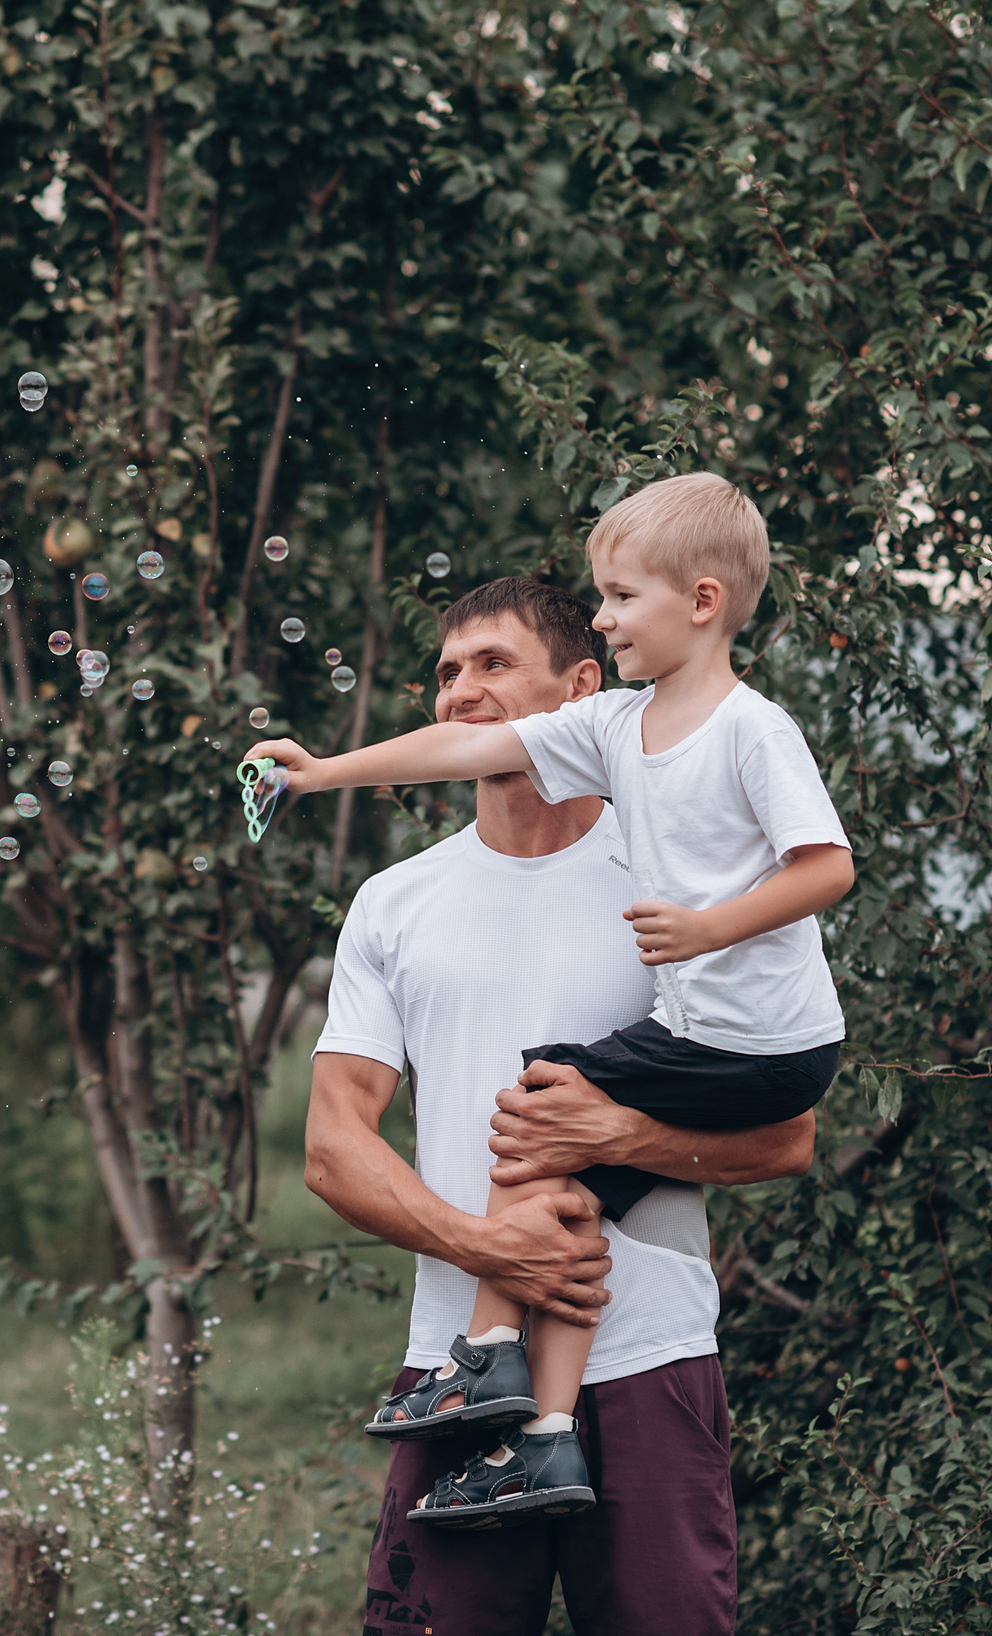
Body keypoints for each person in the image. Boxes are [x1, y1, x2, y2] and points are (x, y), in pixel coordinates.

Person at [275, 479, 851, 1524]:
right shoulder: (396, 900)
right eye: (446, 671)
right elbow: (329, 1148)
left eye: (493, 663)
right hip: (448, 1356)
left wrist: (619, 1130)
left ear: (580, 686)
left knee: (549, 1109)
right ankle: (511, 1391)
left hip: (654, 1355)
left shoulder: (691, 850)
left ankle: (503, 1367)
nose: (459, 691)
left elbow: (788, 1135)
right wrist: (318, 773)